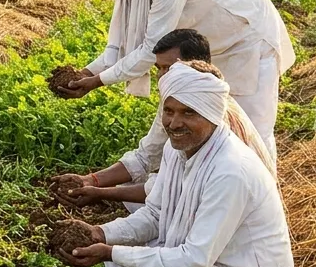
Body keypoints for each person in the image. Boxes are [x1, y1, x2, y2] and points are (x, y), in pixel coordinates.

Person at [60, 64, 296, 267]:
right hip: (211, 263)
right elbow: (157, 214)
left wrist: (112, 252)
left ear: (211, 115)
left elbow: (196, 260)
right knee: (122, 250)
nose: (174, 122)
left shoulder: (230, 170)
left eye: (188, 113)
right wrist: (101, 234)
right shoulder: (178, 150)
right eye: (169, 111)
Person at [55, 0, 294, 158]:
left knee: (251, 129)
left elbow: (150, 49)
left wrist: (96, 82)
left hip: (249, 41)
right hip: (212, 48)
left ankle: (263, 190)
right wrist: (85, 74)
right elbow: (121, 46)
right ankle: (212, 186)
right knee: (212, 126)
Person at [53, 29, 275, 212]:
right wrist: (92, 181)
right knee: (139, 195)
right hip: (214, 198)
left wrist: (101, 194)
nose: (162, 76)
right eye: (158, 68)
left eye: (169, 68)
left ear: (197, 66)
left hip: (233, 205)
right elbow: (148, 156)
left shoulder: (210, 114)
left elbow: (170, 190)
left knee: (151, 211)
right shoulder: (181, 104)